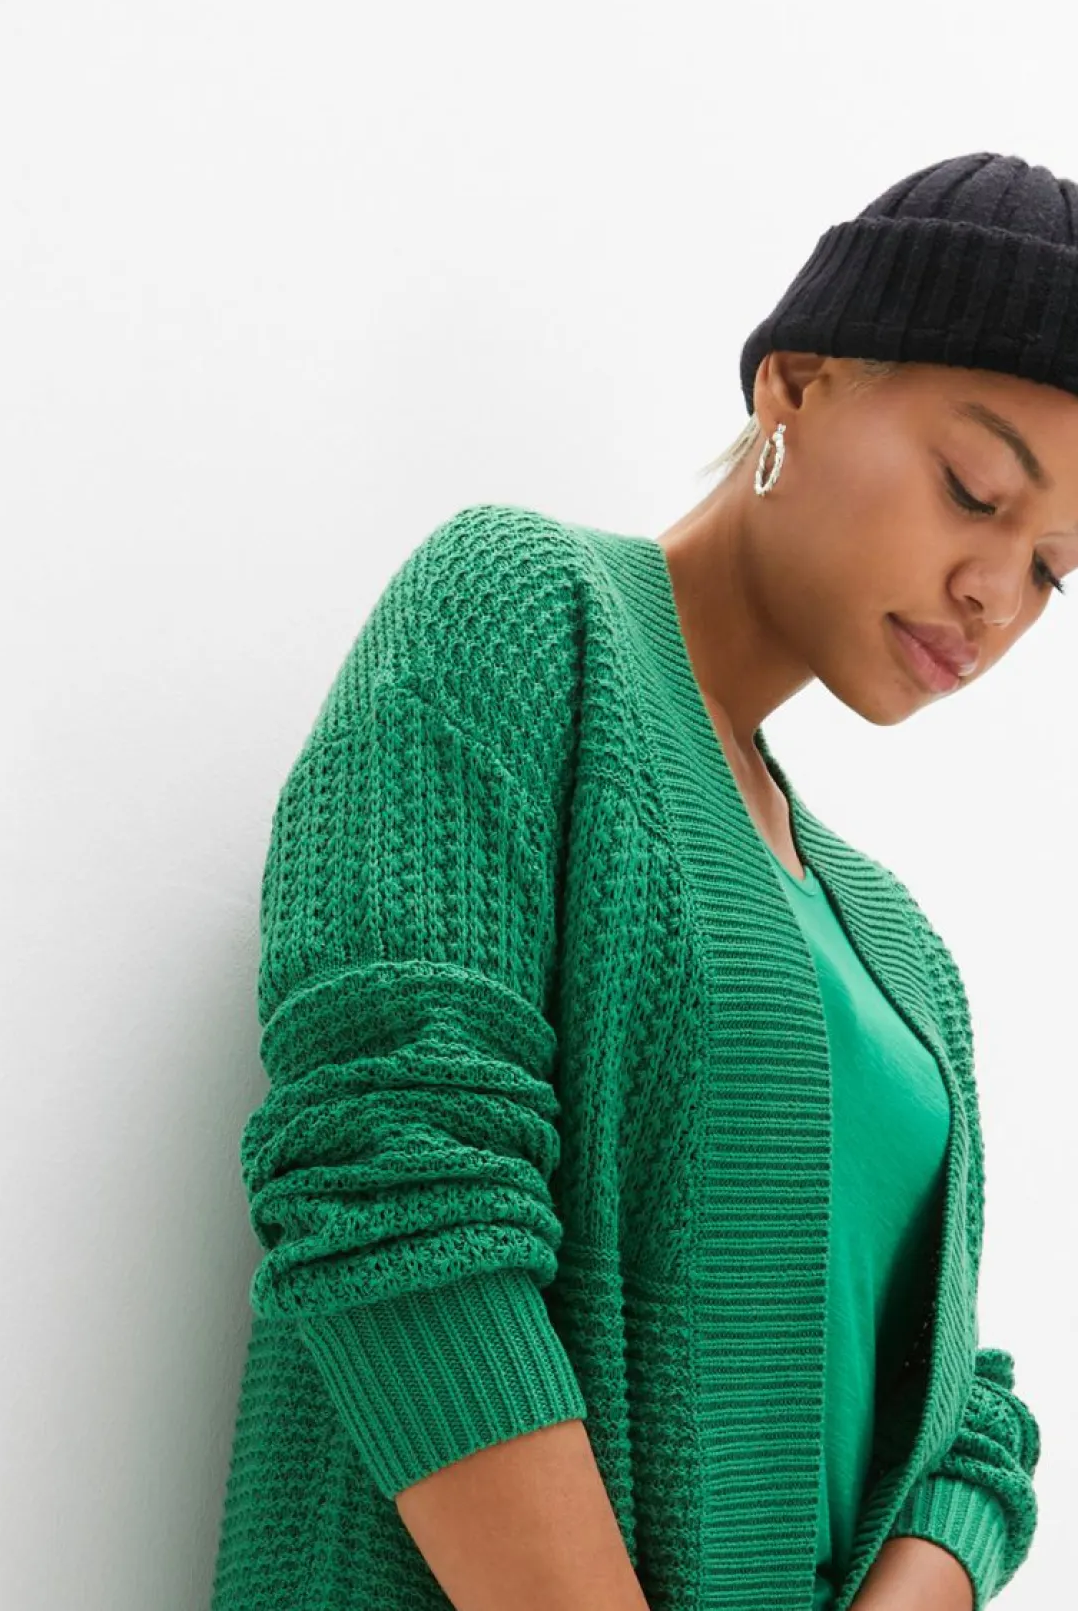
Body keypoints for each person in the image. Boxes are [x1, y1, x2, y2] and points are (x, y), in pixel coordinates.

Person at [207, 151, 1063, 1611]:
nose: (994, 590)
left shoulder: (905, 950)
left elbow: (964, 1418)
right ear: (798, 383)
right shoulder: (524, 617)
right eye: (974, 489)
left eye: (1054, 568)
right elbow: (396, 1191)